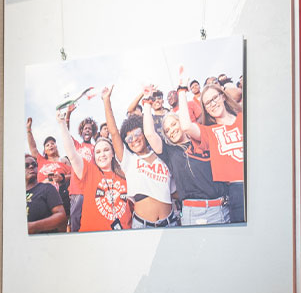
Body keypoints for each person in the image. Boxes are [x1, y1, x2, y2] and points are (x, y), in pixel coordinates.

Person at [143, 89, 229, 226]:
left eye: (173, 124)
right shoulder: (170, 152)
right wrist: (147, 101)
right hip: (194, 214)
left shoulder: (203, 139)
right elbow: (149, 134)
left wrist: (182, 89)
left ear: (181, 122)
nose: (172, 130)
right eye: (167, 130)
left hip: (221, 209)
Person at [103, 85, 175, 228]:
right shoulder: (129, 160)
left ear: (144, 133)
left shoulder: (162, 155)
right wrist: (106, 100)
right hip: (143, 226)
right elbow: (114, 133)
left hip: (171, 223)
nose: (134, 140)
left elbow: (175, 192)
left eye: (136, 134)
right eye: (129, 139)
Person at [56, 93, 129, 231]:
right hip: (79, 188)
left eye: (106, 150)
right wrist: (65, 118)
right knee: (76, 220)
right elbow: (69, 148)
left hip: (97, 192)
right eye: (85, 129)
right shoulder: (78, 146)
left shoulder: (97, 147)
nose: (101, 154)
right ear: (81, 131)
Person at [186, 82, 244, 223]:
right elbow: (186, 126)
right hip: (237, 192)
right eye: (207, 103)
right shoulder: (209, 132)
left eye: (214, 98)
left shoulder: (245, 117)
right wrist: (182, 90)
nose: (212, 104)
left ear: (223, 97)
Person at [25, 154, 67, 233]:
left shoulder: (47, 188)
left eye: (34, 165)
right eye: (26, 165)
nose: (31, 166)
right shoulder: (15, 196)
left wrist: (62, 178)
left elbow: (61, 217)